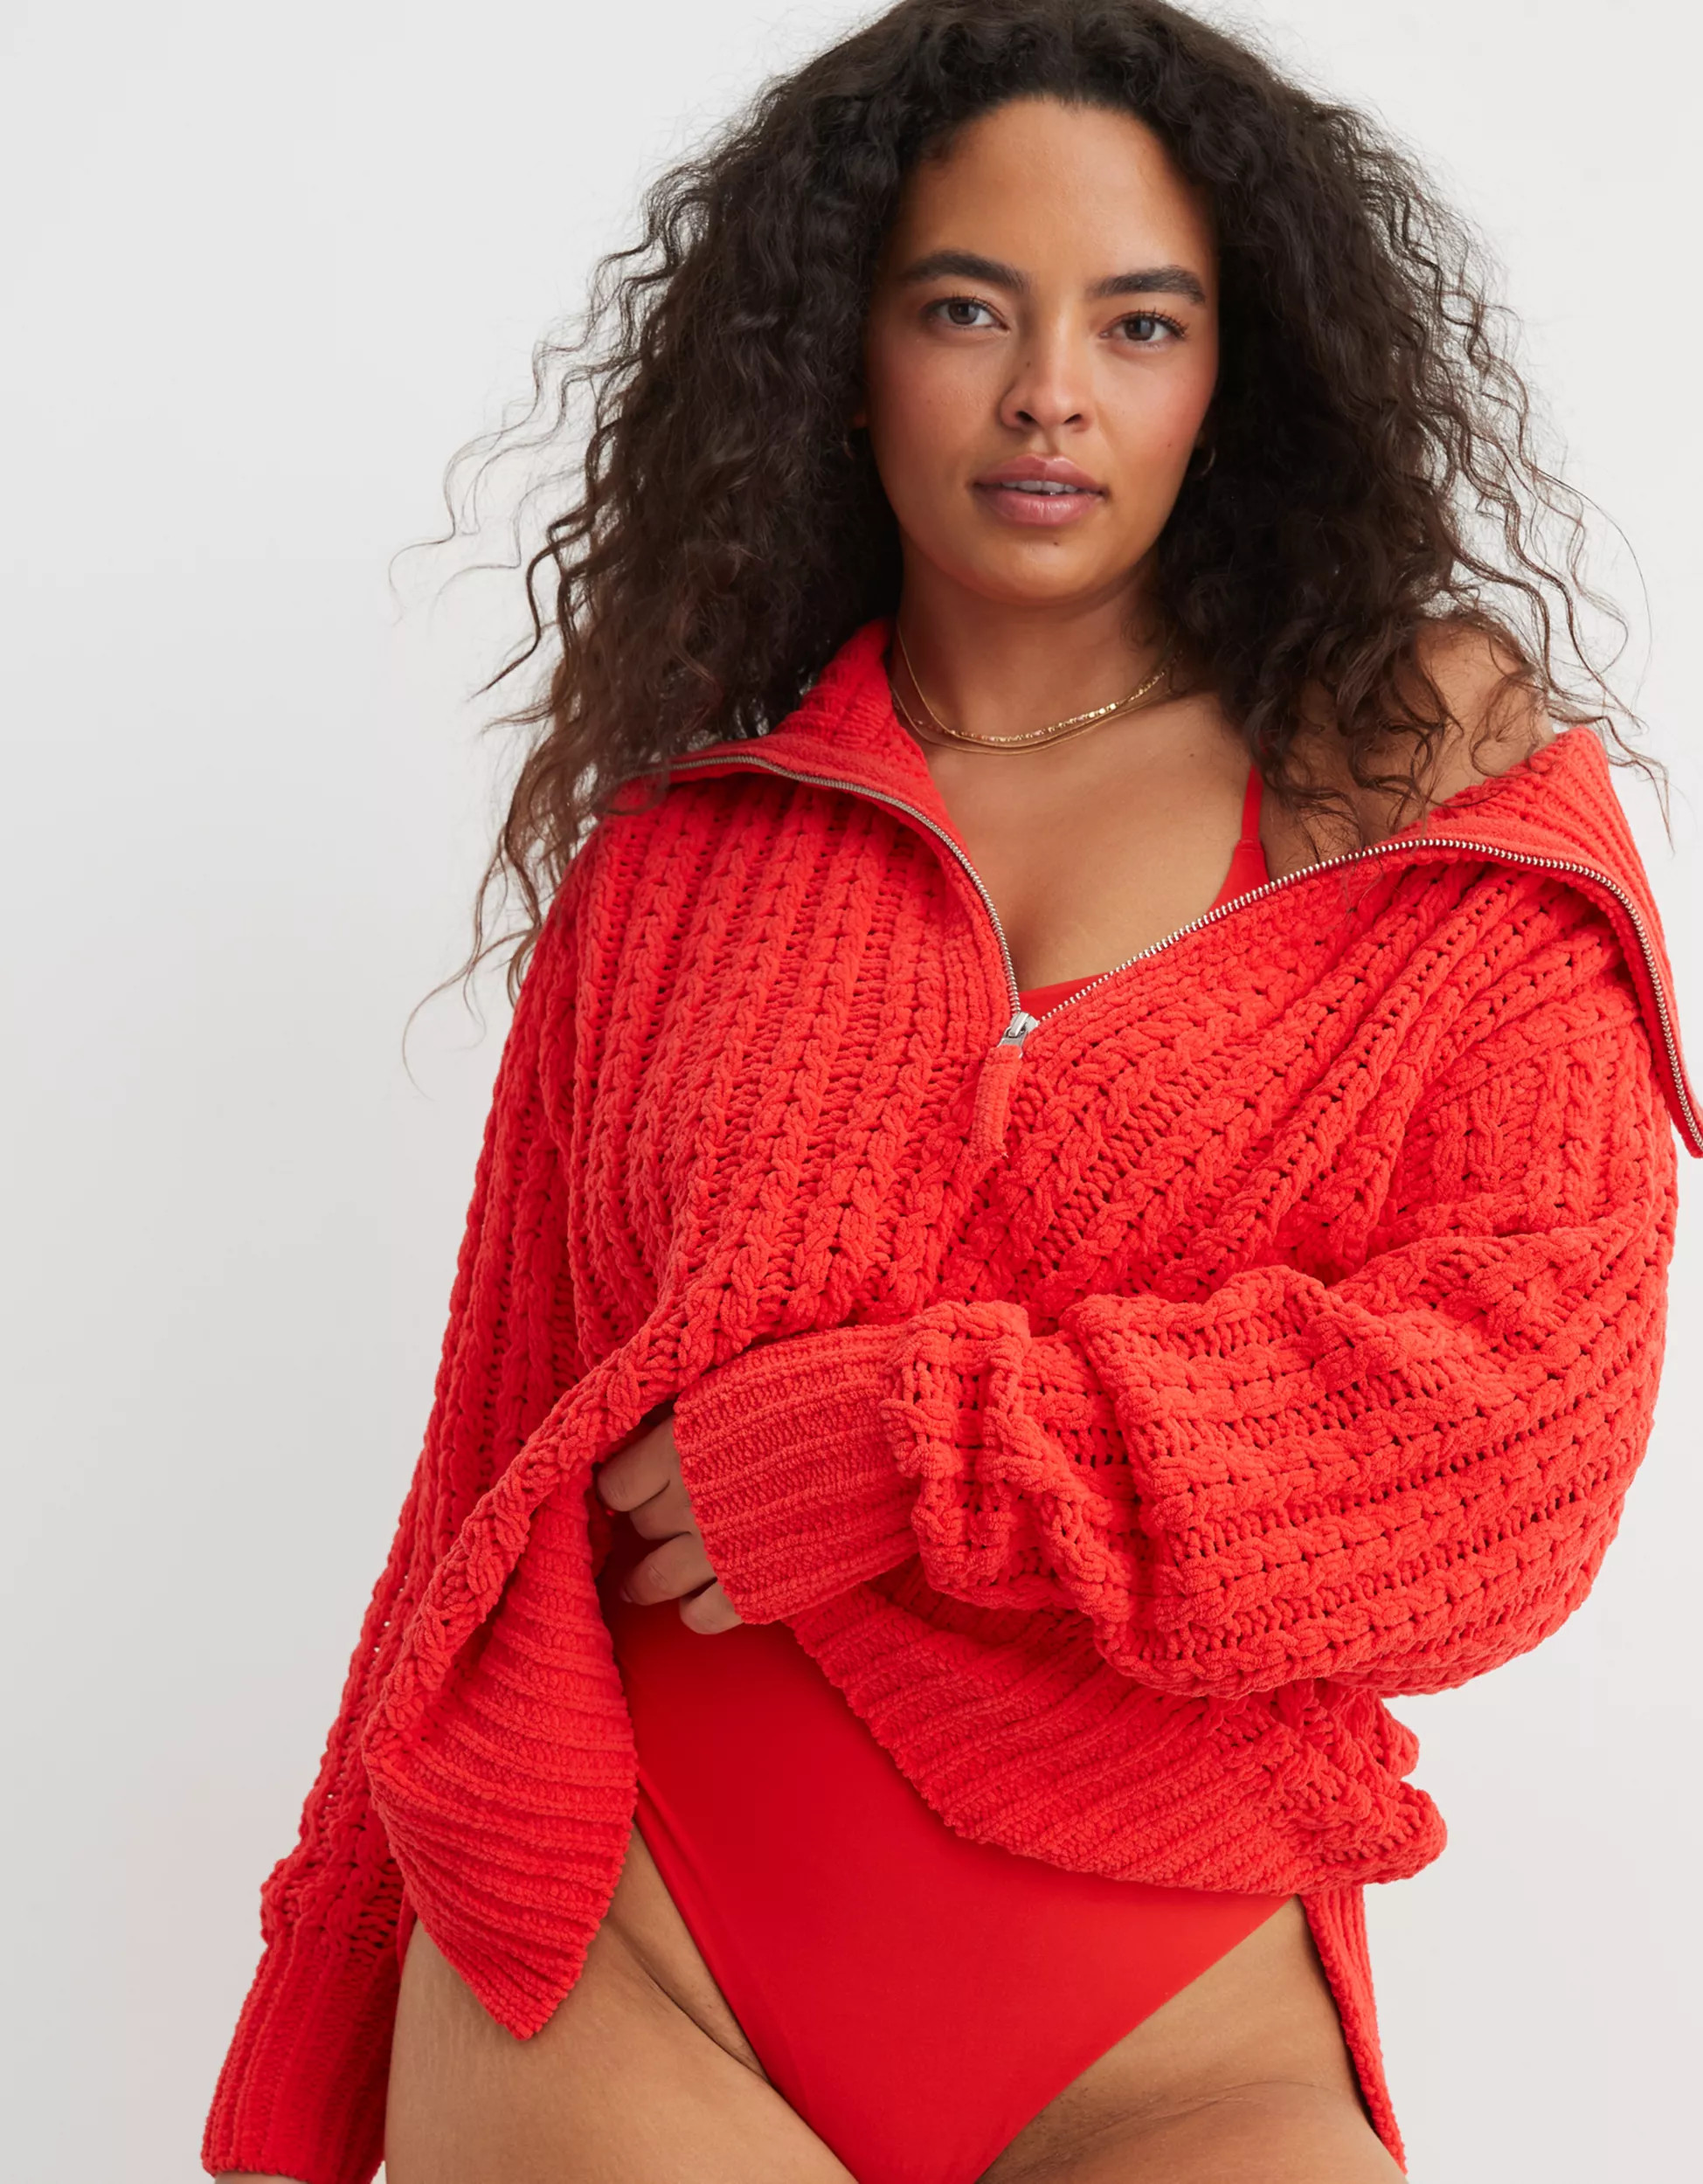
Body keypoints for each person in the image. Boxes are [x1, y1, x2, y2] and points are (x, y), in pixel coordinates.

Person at [205, 3, 1697, 2181]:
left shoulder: (1421, 784)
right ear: (846, 351)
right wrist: (321, 2020)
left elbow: (1521, 1432)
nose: (1049, 392)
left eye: (1141, 321)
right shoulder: (682, 858)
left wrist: (919, 1446)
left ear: (1237, 372)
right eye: (966, 308)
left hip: (1177, 2033)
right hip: (617, 1955)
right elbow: (487, 1473)